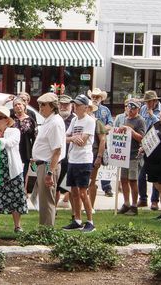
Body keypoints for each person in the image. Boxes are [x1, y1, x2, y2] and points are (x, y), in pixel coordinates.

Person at [0, 106, 27, 232]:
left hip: (13, 171)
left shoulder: (14, 131)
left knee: (16, 197)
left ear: (7, 120)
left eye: (0, 117)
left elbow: (9, 143)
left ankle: (17, 226)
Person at [62, 95, 97, 232]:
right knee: (74, 191)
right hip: (72, 159)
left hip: (84, 160)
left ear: (86, 107)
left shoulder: (90, 121)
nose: (75, 107)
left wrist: (72, 138)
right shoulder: (74, 120)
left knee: (83, 192)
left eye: (78, 105)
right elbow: (64, 137)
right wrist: (72, 138)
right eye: (74, 104)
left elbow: (82, 141)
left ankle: (90, 221)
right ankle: (77, 220)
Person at [32, 93, 66, 227]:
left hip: (48, 165)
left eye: (43, 105)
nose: (40, 107)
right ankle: (44, 229)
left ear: (52, 106)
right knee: (44, 201)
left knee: (47, 201)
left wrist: (50, 172)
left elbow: (57, 150)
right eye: (40, 105)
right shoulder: (49, 121)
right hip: (43, 164)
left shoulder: (55, 123)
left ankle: (47, 231)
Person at [114, 100, 146, 216]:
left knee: (133, 180)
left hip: (133, 154)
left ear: (138, 109)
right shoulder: (124, 119)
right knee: (123, 179)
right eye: (129, 107)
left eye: (133, 108)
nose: (130, 110)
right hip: (124, 153)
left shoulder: (140, 120)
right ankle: (126, 203)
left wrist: (131, 131)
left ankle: (134, 205)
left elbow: (142, 138)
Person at [138, 91, 160, 210]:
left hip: (156, 145)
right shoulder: (143, 109)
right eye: (145, 102)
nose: (147, 104)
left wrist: (152, 115)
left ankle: (155, 200)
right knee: (141, 174)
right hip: (144, 143)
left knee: (155, 175)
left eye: (148, 102)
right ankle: (143, 199)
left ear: (154, 101)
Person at [10, 99, 37, 190]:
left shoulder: (30, 120)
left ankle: (22, 192)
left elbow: (34, 138)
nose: (18, 106)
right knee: (12, 175)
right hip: (12, 150)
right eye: (15, 105)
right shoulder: (10, 119)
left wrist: (33, 154)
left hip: (25, 152)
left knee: (23, 175)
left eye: (19, 104)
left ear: (24, 105)